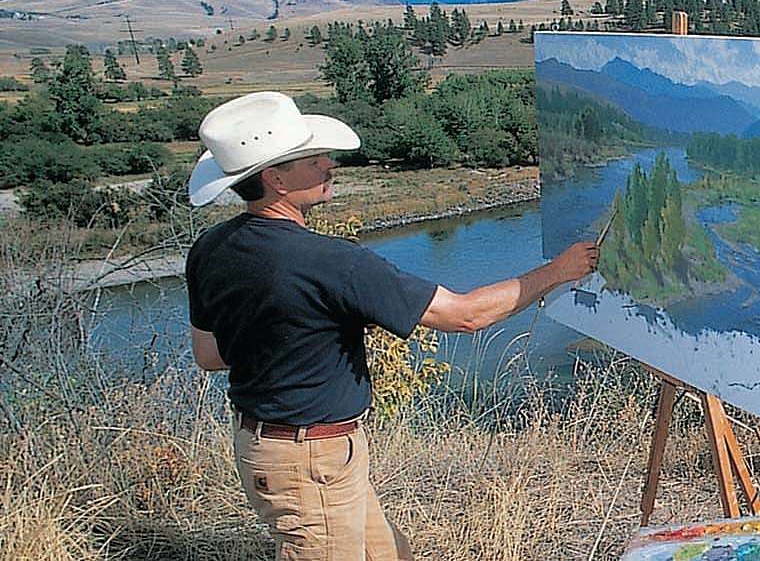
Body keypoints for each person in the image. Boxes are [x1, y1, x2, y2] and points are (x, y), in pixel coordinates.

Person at [184, 91, 595, 560]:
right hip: (311, 460)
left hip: (276, 450)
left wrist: (298, 332)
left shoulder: (211, 248)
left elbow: (210, 355)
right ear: (275, 178)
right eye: (312, 158)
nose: (328, 165)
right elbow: (466, 315)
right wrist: (558, 272)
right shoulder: (331, 263)